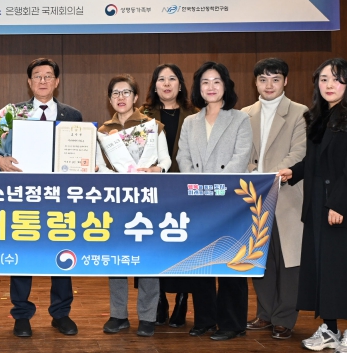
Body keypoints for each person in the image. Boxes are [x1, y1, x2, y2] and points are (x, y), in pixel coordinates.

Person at [278, 58, 347, 353]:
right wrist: (293, 172)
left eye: (337, 79)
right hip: (316, 206)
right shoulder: (317, 117)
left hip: (344, 208)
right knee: (323, 271)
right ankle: (329, 329)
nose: (329, 85)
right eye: (324, 79)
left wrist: (338, 204)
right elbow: (314, 161)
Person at [0, 58, 82, 337]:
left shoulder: (73, 115)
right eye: (37, 76)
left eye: (48, 76)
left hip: (61, 197)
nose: (43, 81)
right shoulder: (13, 113)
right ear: (29, 82)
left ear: (57, 81)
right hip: (24, 195)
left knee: (62, 252)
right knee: (23, 254)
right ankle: (21, 314)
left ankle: (61, 313)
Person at [176, 61, 252, 341]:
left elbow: (241, 157)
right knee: (202, 261)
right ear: (198, 88)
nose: (210, 87)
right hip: (198, 201)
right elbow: (182, 157)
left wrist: (215, 188)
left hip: (230, 201)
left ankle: (232, 323)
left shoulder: (240, 119)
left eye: (216, 81)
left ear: (226, 86)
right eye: (205, 82)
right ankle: (205, 319)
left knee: (231, 261)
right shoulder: (190, 122)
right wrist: (199, 187)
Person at [97, 74, 170, 337]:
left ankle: (148, 317)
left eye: (126, 92)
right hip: (116, 200)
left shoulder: (153, 126)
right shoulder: (102, 131)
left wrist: (156, 169)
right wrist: (116, 176)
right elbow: (99, 166)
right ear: (109, 99)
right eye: (115, 93)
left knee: (147, 257)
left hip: (147, 199)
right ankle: (118, 315)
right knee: (116, 259)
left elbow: (166, 161)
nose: (121, 97)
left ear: (136, 97)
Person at [242, 58, 307, 340]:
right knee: (260, 258)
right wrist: (253, 176)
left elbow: (299, 152)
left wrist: (268, 177)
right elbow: (241, 153)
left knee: (289, 261)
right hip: (255, 198)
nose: (269, 85)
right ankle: (265, 313)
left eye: (275, 79)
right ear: (255, 82)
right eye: (263, 79)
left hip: (287, 195)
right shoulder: (244, 114)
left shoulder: (300, 112)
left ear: (285, 81)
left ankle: (284, 317)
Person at [141, 63, 198, 328]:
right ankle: (159, 299)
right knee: (153, 246)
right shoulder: (142, 115)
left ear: (181, 84)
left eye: (172, 79)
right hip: (153, 191)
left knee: (183, 245)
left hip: (185, 191)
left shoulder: (195, 114)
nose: (166, 84)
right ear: (154, 86)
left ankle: (183, 299)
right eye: (161, 79)